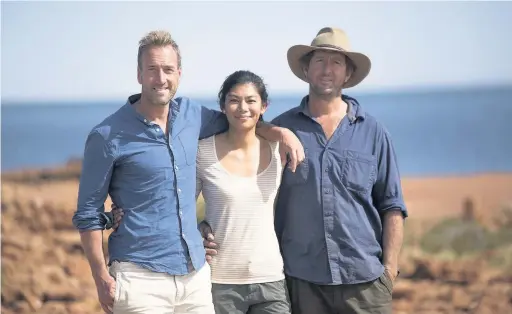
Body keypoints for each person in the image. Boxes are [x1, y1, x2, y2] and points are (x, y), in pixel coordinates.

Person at [71, 30, 304, 314]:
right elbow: (87, 213)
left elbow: (241, 119)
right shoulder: (107, 135)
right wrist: (100, 277)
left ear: (179, 73)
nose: (161, 78)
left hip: (195, 277)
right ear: (139, 74)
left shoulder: (192, 115)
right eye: (152, 70)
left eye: (168, 69)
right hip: (139, 277)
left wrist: (281, 132)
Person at [203, 27, 408, 314]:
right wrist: (204, 227)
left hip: (365, 284)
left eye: (337, 62)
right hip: (302, 284)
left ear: (348, 74)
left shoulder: (373, 133)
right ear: (306, 69)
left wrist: (390, 269)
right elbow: (243, 166)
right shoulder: (280, 133)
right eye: (320, 61)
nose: (327, 69)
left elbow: (392, 206)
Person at [111, 70, 292, 314]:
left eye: (251, 100)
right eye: (234, 100)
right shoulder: (202, 151)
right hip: (220, 282)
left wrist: (284, 132)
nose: (243, 108)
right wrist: (129, 210)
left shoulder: (281, 149)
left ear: (264, 106)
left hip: (270, 278)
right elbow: (177, 203)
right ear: (223, 106)